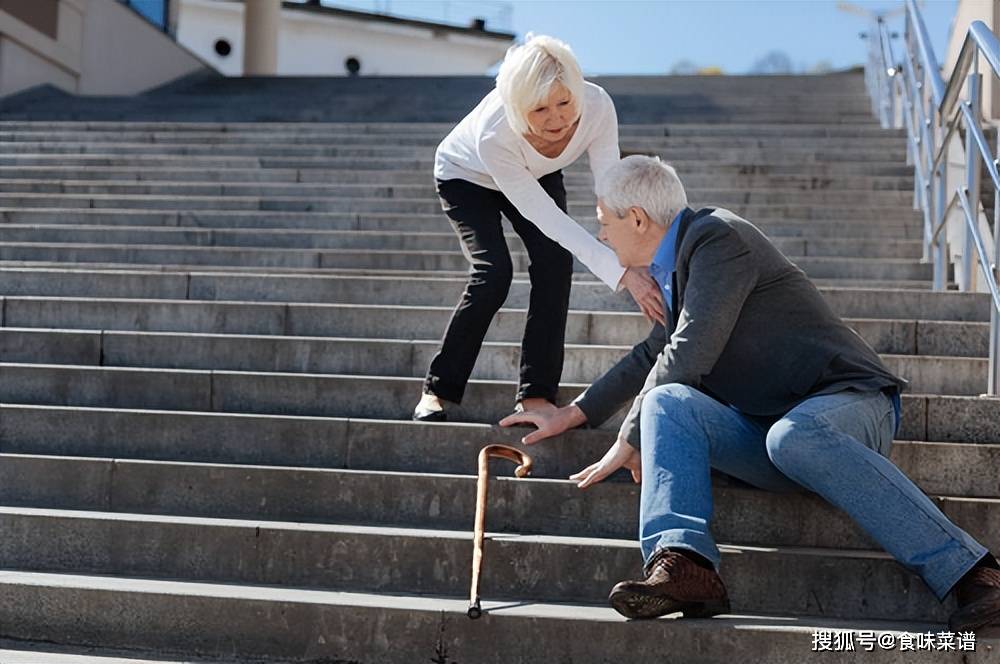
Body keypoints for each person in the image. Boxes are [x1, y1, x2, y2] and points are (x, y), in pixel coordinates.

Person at [500, 155, 1000, 632]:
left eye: (604, 220)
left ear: (636, 219)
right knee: (669, 404)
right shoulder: (675, 275)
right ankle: (686, 566)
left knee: (792, 435)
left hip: (849, 404)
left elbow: (689, 349)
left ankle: (974, 573)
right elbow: (653, 354)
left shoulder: (717, 237)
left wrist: (627, 437)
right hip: (771, 435)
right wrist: (575, 413)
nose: (601, 233)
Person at [412, 35, 664, 422]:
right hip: (466, 175)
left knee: (554, 264)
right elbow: (550, 221)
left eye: (565, 103)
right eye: (540, 109)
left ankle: (536, 395)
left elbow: (610, 193)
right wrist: (620, 274)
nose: (558, 119)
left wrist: (640, 260)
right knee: (494, 272)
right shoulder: (495, 133)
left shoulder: (596, 106)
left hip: (538, 172)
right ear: (517, 107)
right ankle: (438, 389)